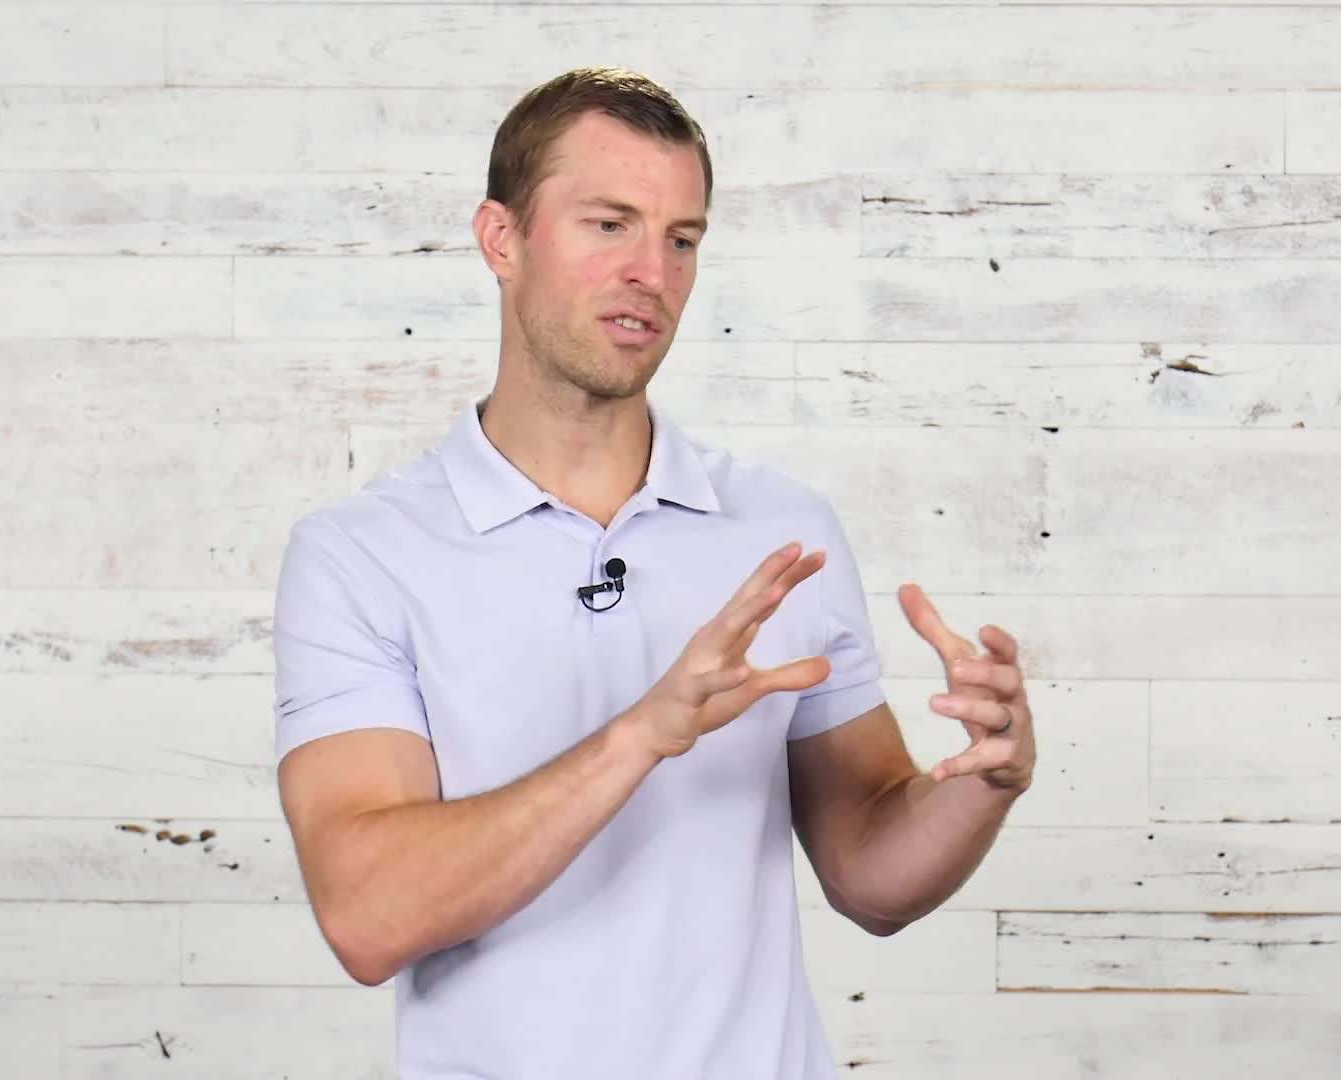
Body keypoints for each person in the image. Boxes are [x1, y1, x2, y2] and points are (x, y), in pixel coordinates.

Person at [272, 66, 1038, 1080]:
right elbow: (368, 917)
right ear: (501, 239)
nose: (651, 272)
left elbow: (869, 876)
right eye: (609, 225)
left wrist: (985, 784)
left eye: (682, 239)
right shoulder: (363, 554)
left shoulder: (782, 534)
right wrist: (640, 736)